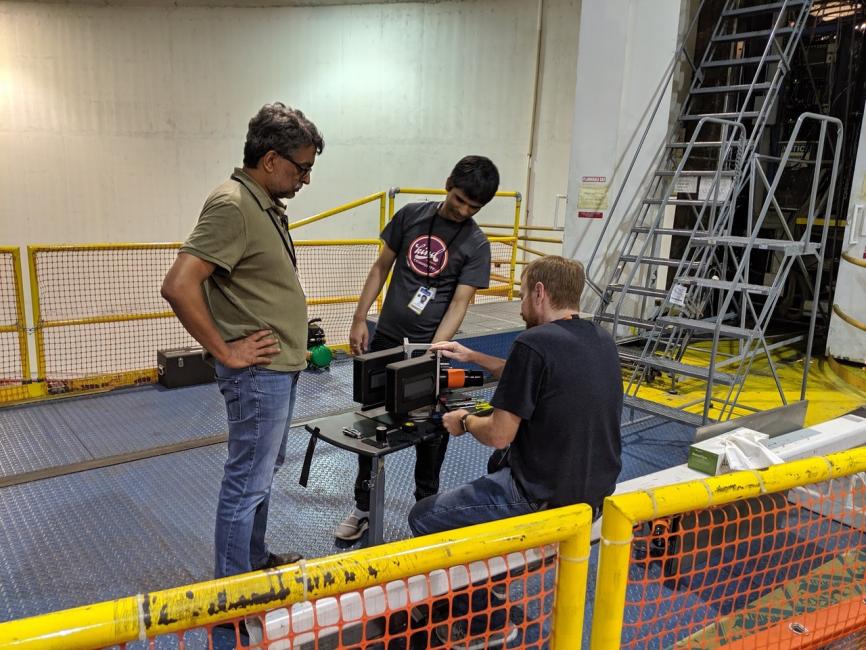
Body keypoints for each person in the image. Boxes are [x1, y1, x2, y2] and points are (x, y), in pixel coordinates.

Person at [161, 102, 323, 578]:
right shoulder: (233, 205)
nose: (306, 180)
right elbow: (179, 284)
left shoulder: (262, 205)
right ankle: (232, 593)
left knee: (262, 475)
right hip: (257, 374)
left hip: (279, 368)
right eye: (303, 168)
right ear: (270, 160)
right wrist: (225, 350)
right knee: (247, 481)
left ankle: (252, 560)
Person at [335, 155, 500, 542]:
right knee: (370, 426)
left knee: (431, 435)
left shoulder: (476, 244)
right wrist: (360, 318)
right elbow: (381, 268)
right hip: (386, 342)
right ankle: (363, 507)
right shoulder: (410, 216)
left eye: (473, 208)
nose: (462, 211)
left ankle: (427, 511)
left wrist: (436, 351)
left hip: (430, 351)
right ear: (447, 184)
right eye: (459, 200)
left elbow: (460, 302)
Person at [410, 255, 623, 535]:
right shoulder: (601, 338)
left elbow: (499, 435)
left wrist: (464, 421)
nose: (521, 309)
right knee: (498, 462)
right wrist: (471, 356)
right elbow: (537, 376)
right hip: (596, 495)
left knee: (423, 515)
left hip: (543, 498)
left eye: (522, 297)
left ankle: (480, 575)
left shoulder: (533, 342)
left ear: (539, 292)